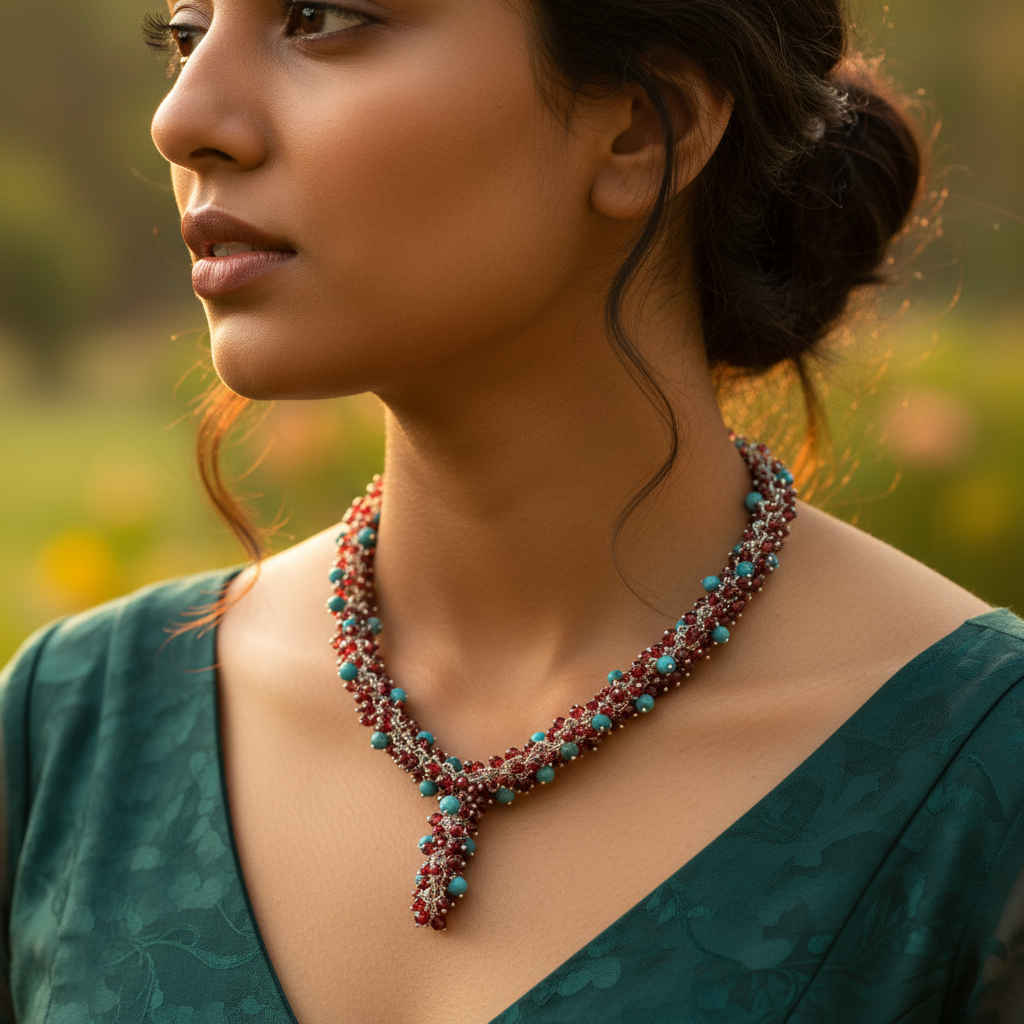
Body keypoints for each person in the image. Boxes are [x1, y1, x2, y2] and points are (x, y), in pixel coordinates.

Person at [1, 0, 1022, 1019]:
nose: (182, 117)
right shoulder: (72, 734)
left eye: (317, 18)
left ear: (639, 126)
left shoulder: (980, 777)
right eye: (186, 33)